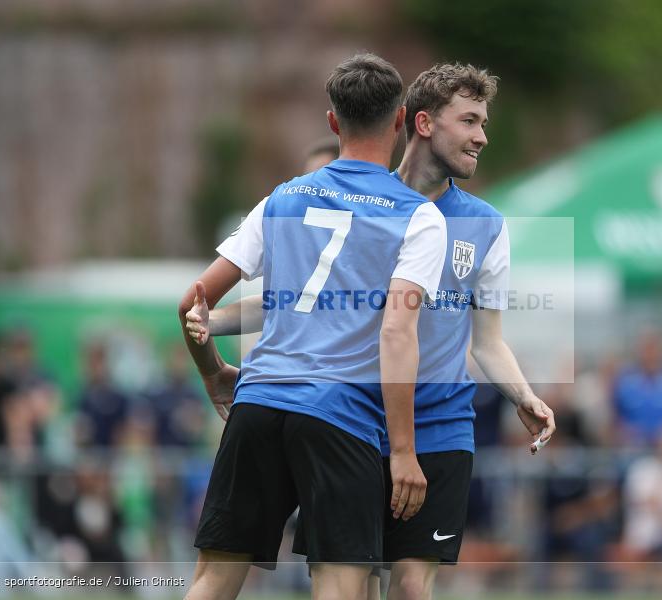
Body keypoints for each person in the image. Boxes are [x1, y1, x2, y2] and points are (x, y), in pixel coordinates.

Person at [187, 63, 557, 600]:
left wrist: (523, 395)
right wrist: (216, 321)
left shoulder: (485, 225)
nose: (483, 135)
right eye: (471, 120)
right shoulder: (372, 204)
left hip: (433, 423)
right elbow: (307, 302)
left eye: (484, 122)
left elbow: (487, 340)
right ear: (422, 123)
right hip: (354, 415)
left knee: (408, 586)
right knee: (350, 586)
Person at [180, 53, 447, 600]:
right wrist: (403, 451)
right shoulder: (418, 216)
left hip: (257, 405)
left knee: (211, 581)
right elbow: (398, 332)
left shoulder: (282, 197)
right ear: (400, 119)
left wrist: (212, 373)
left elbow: (194, 302)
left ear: (332, 122)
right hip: (339, 416)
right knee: (342, 586)